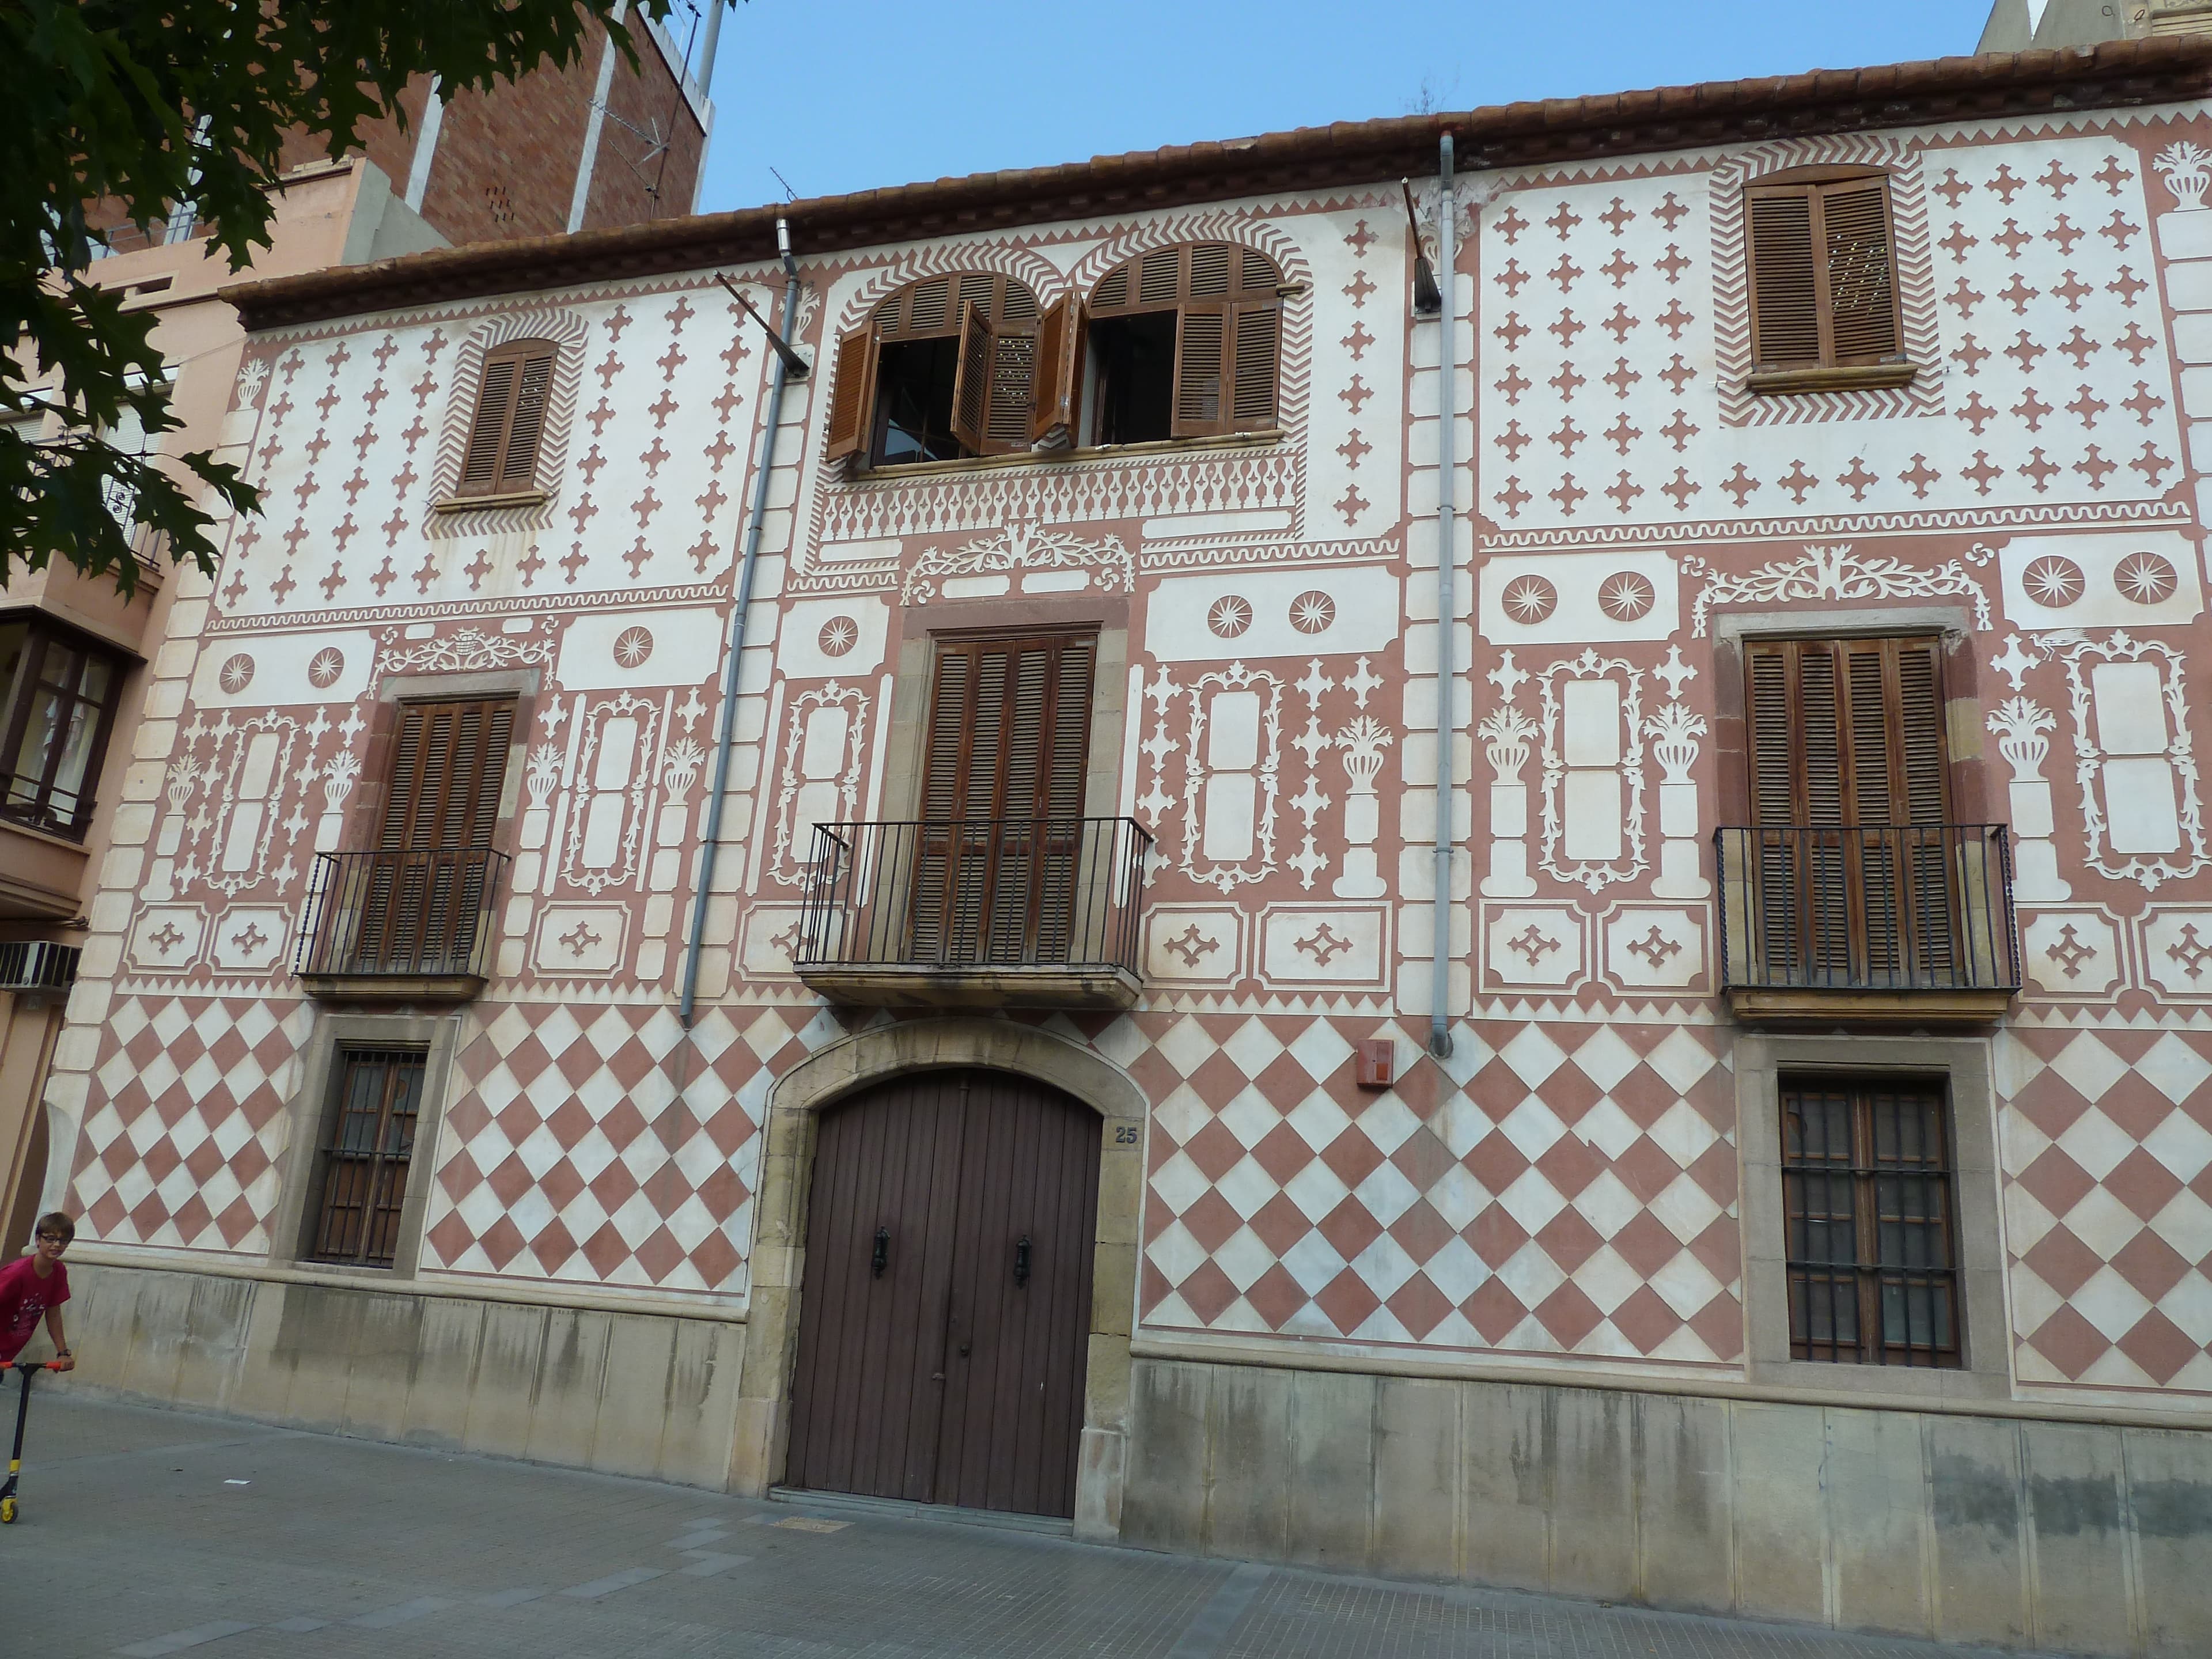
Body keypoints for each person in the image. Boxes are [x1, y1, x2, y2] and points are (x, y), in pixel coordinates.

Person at [0, 1213, 74, 1372]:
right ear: (38, 1240)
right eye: (50, 1239)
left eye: (63, 1241)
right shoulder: (17, 1273)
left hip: (7, 1351)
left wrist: (62, 1353)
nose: (56, 1245)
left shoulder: (58, 1271)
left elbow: (53, 1313)